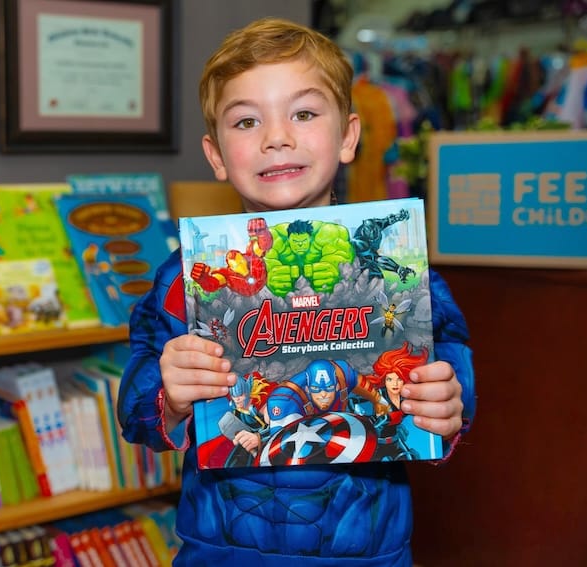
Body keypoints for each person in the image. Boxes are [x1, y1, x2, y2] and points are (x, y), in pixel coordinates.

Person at [118, 17, 474, 565]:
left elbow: (453, 377)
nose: (276, 137)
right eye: (246, 122)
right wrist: (168, 394)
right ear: (215, 156)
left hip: (368, 549)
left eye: (304, 113)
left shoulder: (400, 272)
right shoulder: (187, 277)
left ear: (348, 136)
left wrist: (446, 406)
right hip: (221, 549)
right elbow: (135, 407)